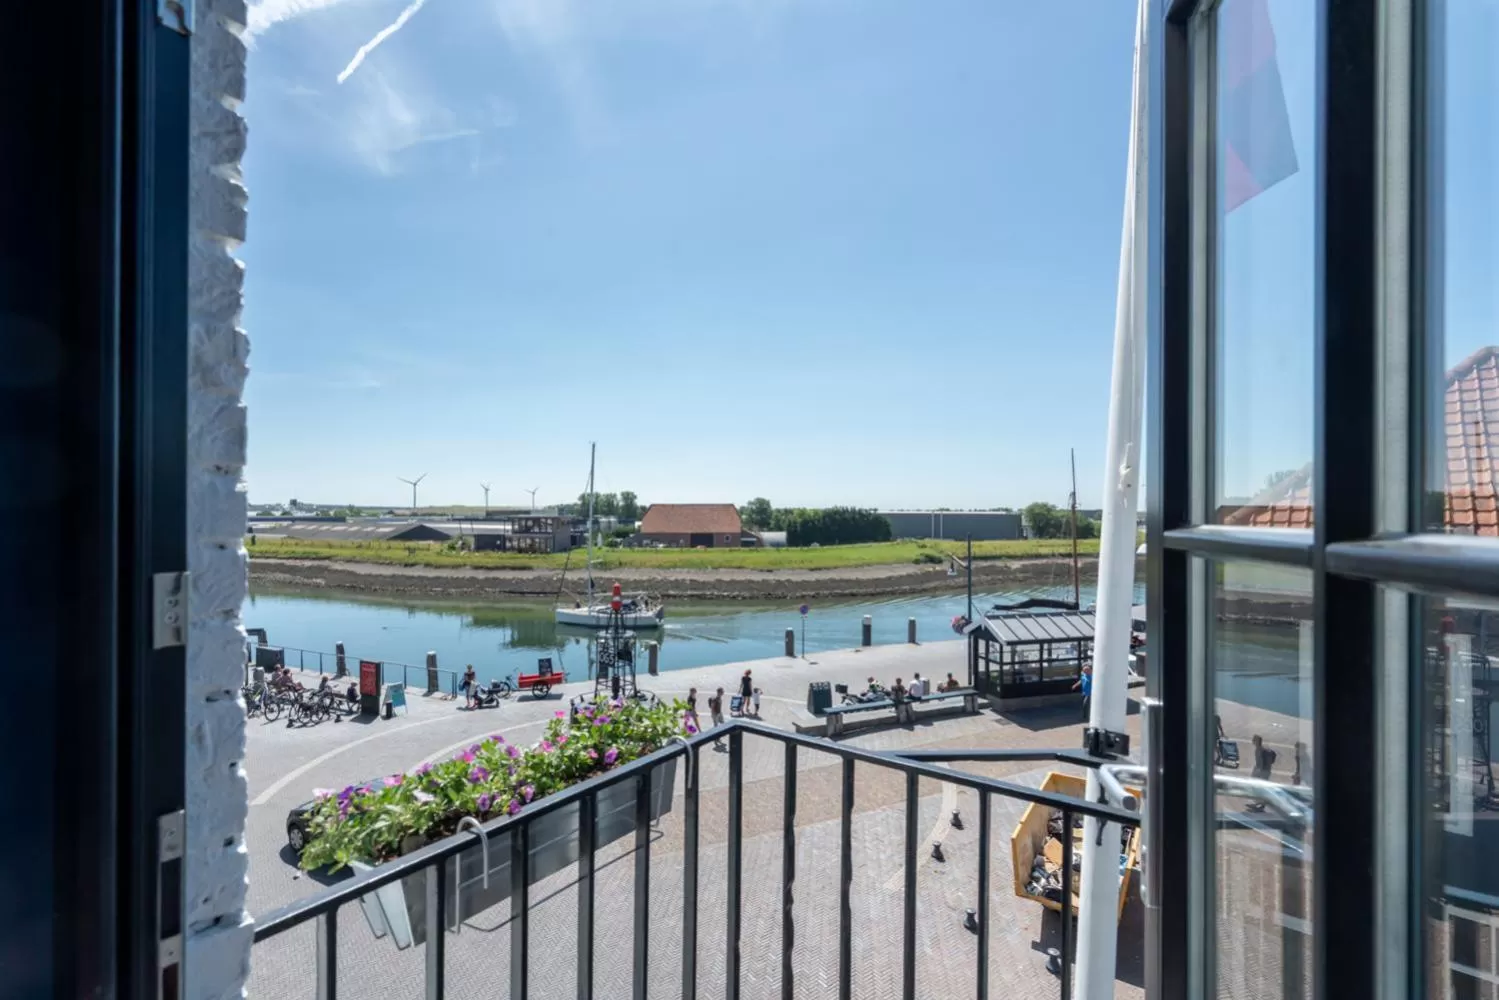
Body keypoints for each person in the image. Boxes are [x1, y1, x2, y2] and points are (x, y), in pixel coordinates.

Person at [1247, 734, 1277, 812]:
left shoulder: (1259, 750)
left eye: (1254, 740)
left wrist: (1257, 772)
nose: (1252, 741)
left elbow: (1260, 763)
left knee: (1257, 787)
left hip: (1262, 771)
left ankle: (1260, 804)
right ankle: (1259, 804)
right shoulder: (1261, 749)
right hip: (1264, 771)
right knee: (1257, 787)